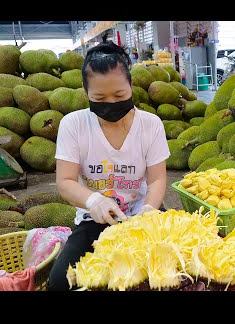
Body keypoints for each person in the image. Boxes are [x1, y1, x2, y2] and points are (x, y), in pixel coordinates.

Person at [47, 40, 170, 291]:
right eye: (99, 97)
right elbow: (65, 181)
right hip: (94, 220)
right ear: (85, 91)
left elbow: (157, 179)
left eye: (120, 95)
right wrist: (94, 201)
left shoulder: (151, 124)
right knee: (60, 283)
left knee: (168, 276)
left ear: (131, 86)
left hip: (141, 216)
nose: (111, 103)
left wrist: (148, 210)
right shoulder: (74, 125)